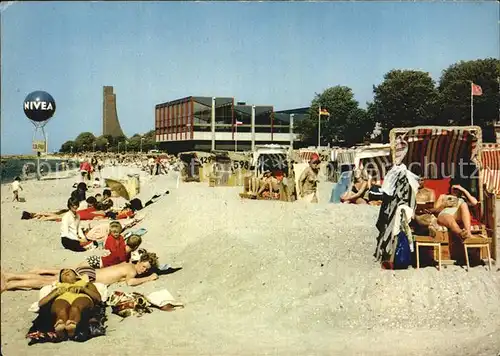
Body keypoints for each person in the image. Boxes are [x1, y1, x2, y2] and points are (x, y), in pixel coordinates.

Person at [1, 252, 159, 291]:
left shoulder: (127, 264)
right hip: (89, 276)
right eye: (143, 266)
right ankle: (9, 285)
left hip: (90, 271)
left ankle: (11, 275)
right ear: (139, 261)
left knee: (54, 275)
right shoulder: (131, 271)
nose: (143, 269)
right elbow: (130, 283)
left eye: (146, 269)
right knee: (47, 282)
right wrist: (149, 278)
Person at [38, 269, 101, 338]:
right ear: (61, 280)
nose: (65, 272)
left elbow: (98, 298)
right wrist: (55, 293)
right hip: (62, 298)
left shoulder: (86, 284)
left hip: (81, 296)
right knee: (61, 309)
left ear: (77, 276)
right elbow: (41, 303)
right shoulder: (58, 287)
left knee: (75, 307)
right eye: (62, 273)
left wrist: (84, 289)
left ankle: (72, 324)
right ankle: (61, 325)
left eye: (69, 271)